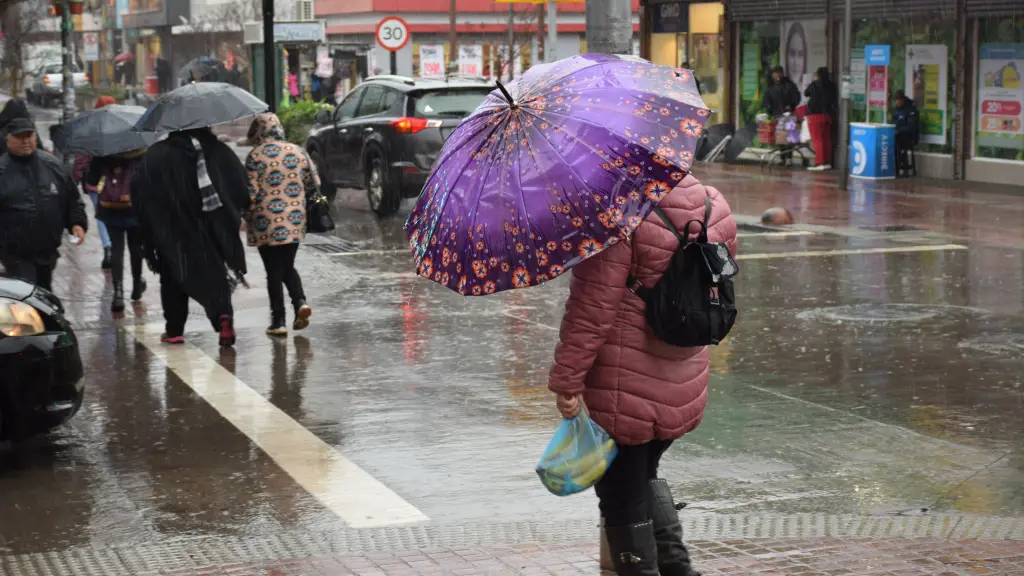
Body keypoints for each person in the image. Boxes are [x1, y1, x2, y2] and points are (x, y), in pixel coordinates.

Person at [550, 175, 737, 576]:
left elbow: (591, 312)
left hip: (624, 384)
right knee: (644, 476)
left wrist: (567, 380)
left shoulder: (618, 215)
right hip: (682, 377)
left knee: (621, 497)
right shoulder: (713, 202)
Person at [131, 126, 249, 346]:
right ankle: (223, 317)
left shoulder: (157, 154)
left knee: (173, 277)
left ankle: (175, 331)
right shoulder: (218, 150)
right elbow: (241, 185)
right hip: (211, 226)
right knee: (215, 274)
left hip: (170, 229)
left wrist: (149, 225)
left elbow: (140, 190)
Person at [244, 113, 315, 336]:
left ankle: (279, 321)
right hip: (295, 219)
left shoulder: (255, 156)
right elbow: (314, 182)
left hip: (266, 221)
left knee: (274, 270)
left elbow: (250, 192)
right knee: (286, 265)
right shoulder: (298, 151)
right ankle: (300, 302)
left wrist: (243, 214)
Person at [0, 117, 88, 291]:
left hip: (47, 251)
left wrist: (76, 223)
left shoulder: (51, 164)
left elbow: (71, 198)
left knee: (44, 293)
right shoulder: (2, 170)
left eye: (29, 136)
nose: (25, 141)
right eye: (19, 137)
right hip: (15, 254)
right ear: (8, 140)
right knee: (27, 296)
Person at [85, 148, 147, 312]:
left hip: (110, 209)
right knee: (136, 249)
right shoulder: (140, 150)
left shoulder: (103, 151)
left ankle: (118, 293)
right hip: (135, 208)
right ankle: (136, 286)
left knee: (117, 249)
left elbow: (91, 180)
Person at [75, 95, 118, 270]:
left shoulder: (89, 129)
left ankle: (108, 248)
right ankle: (116, 247)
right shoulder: (120, 128)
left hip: (95, 183)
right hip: (118, 182)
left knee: (101, 217)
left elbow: (81, 158)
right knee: (118, 215)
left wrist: (76, 178)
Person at [804, 67, 838, 171]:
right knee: (825, 139)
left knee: (817, 139)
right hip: (827, 115)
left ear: (818, 74)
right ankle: (826, 162)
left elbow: (806, 93)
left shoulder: (815, 84)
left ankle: (819, 163)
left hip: (815, 115)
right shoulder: (832, 85)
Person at [893, 90, 920, 176]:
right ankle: (895, 165)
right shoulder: (896, 110)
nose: (897, 102)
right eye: (896, 100)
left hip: (909, 137)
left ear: (902, 100)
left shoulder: (911, 110)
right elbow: (894, 122)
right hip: (898, 135)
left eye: (898, 100)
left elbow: (911, 127)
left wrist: (899, 130)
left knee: (898, 142)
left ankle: (901, 165)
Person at [784, 23, 808, 91]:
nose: (796, 62)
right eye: (792, 54)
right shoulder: (782, 89)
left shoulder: (809, 90)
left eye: (800, 55)